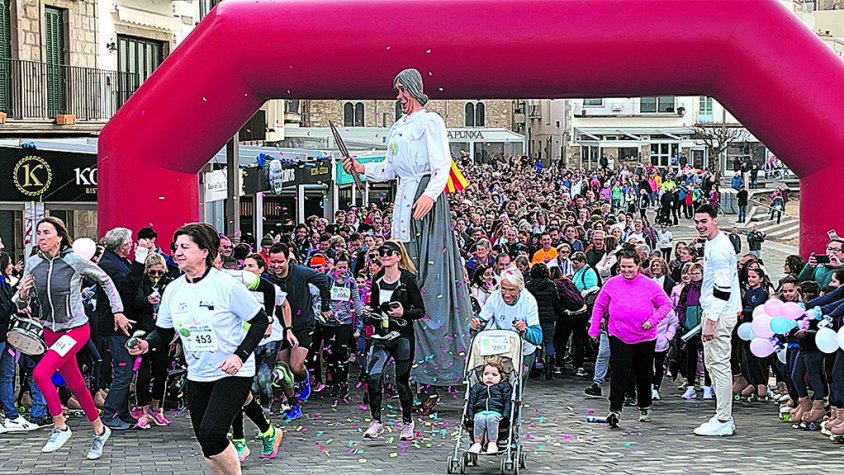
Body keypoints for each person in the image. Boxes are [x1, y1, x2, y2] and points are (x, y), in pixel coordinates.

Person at [343, 69, 473, 405]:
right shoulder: (398, 127)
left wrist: (430, 195)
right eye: (396, 90)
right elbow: (390, 168)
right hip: (403, 200)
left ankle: (436, 371)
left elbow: (441, 164)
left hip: (422, 202)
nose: (398, 96)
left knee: (427, 279)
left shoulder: (431, 121)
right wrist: (361, 168)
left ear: (413, 90)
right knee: (405, 276)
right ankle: (407, 370)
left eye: (401, 90)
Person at [129, 223, 271, 475]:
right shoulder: (173, 289)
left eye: (185, 247)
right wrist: (146, 344)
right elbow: (163, 332)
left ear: (204, 251)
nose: (178, 252)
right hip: (198, 372)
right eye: (176, 247)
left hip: (233, 372)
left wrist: (240, 356)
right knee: (207, 443)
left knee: (213, 434)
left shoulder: (226, 285)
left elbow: (260, 320)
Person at [12, 217, 125, 459]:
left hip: (75, 328)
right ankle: (100, 430)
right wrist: (22, 295)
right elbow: (20, 303)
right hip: (50, 330)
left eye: (46, 233)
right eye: (39, 233)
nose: (41, 237)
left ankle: (60, 426)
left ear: (59, 237)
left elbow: (105, 279)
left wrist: (117, 309)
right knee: (75, 384)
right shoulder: (33, 263)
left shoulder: (74, 260)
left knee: (41, 374)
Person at [587, 246, 672, 428]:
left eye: (630, 267)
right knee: (619, 371)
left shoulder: (650, 284)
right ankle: (615, 409)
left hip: (645, 336)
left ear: (638, 266)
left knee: (643, 372)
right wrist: (594, 328)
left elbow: (666, 304)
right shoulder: (612, 283)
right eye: (623, 267)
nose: (626, 271)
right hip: (619, 333)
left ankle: (644, 405)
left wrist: (653, 320)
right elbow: (599, 306)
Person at [362, 241, 425, 441]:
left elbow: (420, 310)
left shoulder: (408, 280)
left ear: (399, 256)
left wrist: (403, 312)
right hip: (381, 336)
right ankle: (376, 421)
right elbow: (374, 307)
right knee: (373, 376)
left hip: (402, 336)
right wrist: (370, 312)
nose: (385, 255)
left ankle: (407, 422)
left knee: (401, 380)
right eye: (382, 252)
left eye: (390, 253)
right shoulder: (377, 279)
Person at [266, 242, 331, 420]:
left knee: (295, 366)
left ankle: (304, 377)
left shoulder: (301, 272)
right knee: (284, 367)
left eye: (280, 261)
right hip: (281, 326)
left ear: (288, 259)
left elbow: (324, 280)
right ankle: (291, 401)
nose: (276, 266)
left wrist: (325, 305)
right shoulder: (269, 278)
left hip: (303, 324)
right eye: (273, 262)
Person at [693, 204, 741, 436]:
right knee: (715, 365)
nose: (700, 226)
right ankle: (722, 415)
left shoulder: (720, 247)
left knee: (719, 365)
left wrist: (711, 319)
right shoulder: (713, 243)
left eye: (704, 221)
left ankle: (723, 418)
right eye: (697, 222)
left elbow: (723, 287)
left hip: (719, 313)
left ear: (715, 220)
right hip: (716, 311)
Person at [470, 268, 543, 385]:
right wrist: (476, 324)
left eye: (512, 290)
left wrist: (525, 329)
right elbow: (482, 320)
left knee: (517, 384)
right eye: (503, 289)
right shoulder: (495, 297)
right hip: (500, 346)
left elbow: (538, 338)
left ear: (520, 289)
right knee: (496, 381)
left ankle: (516, 401)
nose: (507, 294)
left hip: (523, 349)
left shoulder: (529, 301)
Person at [132, 252, 174, 427]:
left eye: (159, 272)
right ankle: (143, 409)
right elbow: (134, 303)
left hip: (163, 332)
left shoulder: (169, 283)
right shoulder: (140, 283)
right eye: (152, 273)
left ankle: (157, 408)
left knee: (161, 371)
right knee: (143, 372)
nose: (156, 276)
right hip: (144, 329)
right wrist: (146, 301)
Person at [466, 357, 513, 455]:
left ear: (501, 376)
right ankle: (477, 442)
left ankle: (492, 443)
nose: (489, 377)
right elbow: (471, 402)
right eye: (486, 374)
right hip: (480, 411)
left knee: (491, 419)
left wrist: (505, 415)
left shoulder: (504, 387)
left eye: (494, 375)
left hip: (496, 412)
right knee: (479, 418)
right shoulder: (478, 387)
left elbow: (507, 402)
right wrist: (469, 415)